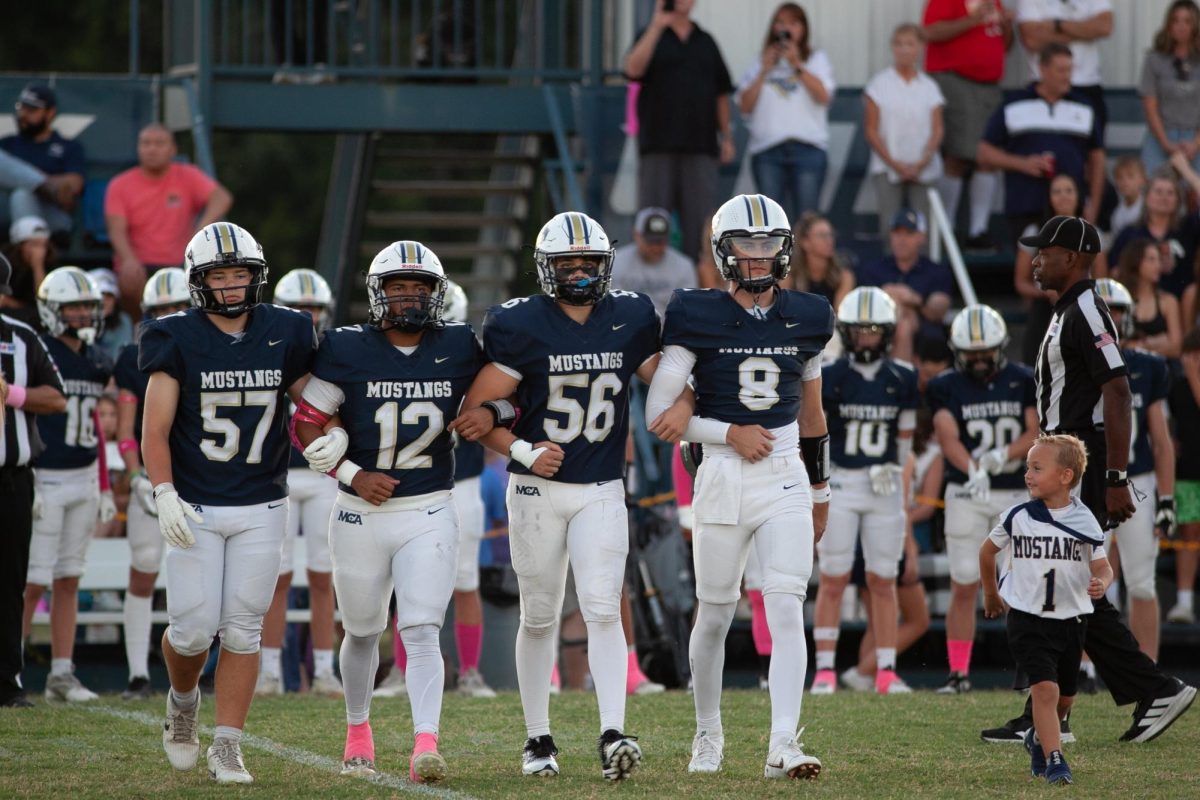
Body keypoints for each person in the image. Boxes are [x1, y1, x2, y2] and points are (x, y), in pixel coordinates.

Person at [457, 211, 661, 781]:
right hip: (536, 488)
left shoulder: (630, 315)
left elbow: (665, 381)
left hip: (600, 486)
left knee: (601, 605)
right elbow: (473, 417)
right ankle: (537, 739)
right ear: (546, 268)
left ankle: (614, 731)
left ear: (606, 265)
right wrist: (523, 451)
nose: (576, 274)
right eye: (566, 264)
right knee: (541, 615)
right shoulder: (518, 324)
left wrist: (698, 416)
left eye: (587, 263)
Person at [980, 214, 1195, 745]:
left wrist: (1115, 475)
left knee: (1076, 590)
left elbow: (1118, 392)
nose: (1034, 259)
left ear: (1073, 257)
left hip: (1082, 463)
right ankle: (1059, 710)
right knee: (1069, 585)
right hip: (1069, 460)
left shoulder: (1085, 310)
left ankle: (1149, 690)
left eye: (1044, 251)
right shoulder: (1064, 310)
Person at [645, 193, 832, 778]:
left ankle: (783, 743)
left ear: (785, 248)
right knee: (716, 614)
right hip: (722, 471)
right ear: (723, 253)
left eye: (767, 243)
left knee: (785, 606)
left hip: (784, 473)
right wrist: (728, 430)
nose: (757, 256)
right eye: (745, 245)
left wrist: (821, 492)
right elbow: (660, 413)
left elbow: (814, 418)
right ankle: (708, 734)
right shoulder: (693, 312)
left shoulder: (811, 314)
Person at [292, 242, 493, 783]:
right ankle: (359, 729)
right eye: (398, 287)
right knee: (361, 630)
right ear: (377, 294)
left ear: (437, 293)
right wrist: (353, 473)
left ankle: (426, 742)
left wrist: (497, 415)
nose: (408, 298)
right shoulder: (346, 347)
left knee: (423, 627)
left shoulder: (458, 345)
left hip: (429, 506)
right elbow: (306, 421)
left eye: (419, 288)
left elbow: (503, 394)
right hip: (359, 510)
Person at [141, 222, 315, 784]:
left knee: (243, 628)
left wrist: (328, 432)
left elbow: (309, 404)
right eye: (221, 274)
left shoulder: (286, 329)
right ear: (200, 281)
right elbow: (155, 429)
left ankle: (229, 745)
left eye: (241, 273)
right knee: (192, 630)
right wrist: (163, 491)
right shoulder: (174, 335)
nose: (233, 285)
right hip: (194, 501)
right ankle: (183, 700)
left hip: (263, 501)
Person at [980, 434, 1112, 786]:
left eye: (1037, 468)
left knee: (1066, 696)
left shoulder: (1085, 520)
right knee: (1045, 690)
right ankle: (1056, 760)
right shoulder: (1017, 515)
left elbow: (1103, 566)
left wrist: (1103, 583)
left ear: (1065, 476)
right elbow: (985, 552)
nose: (1028, 474)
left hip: (1072, 619)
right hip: (1027, 618)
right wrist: (991, 595)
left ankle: (1038, 739)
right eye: (1027, 467)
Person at [810, 287, 917, 696]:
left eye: (875, 331)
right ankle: (824, 671)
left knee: (883, 579)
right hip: (841, 481)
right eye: (860, 331)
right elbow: (817, 434)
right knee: (833, 577)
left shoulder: (902, 377)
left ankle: (886, 670)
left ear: (887, 333)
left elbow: (905, 443)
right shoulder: (831, 375)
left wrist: (894, 469)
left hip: (883, 486)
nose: (867, 338)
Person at [929, 304, 1038, 694]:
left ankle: (1029, 670)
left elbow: (1035, 430)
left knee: (1021, 584)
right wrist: (973, 467)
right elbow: (947, 434)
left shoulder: (1022, 379)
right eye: (970, 352)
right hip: (966, 490)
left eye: (984, 352)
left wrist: (1001, 456)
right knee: (963, 582)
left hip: (1012, 489)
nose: (977, 359)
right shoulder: (945, 384)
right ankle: (958, 673)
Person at [20, 267, 115, 703]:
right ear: (51, 310)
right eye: (73, 306)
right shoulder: (39, 351)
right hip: (46, 476)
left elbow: (94, 420)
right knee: (33, 580)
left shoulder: (97, 358)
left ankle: (62, 672)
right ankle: (12, 669)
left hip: (83, 475)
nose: (82, 314)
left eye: (87, 306)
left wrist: (104, 485)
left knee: (70, 578)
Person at [255, 268, 341, 698]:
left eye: (314, 310)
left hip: (324, 473)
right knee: (279, 576)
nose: (308, 317)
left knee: (324, 576)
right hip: (283, 472)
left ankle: (325, 669)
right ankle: (270, 669)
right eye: (300, 309)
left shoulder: (332, 350)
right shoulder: (272, 347)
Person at [113, 267, 192, 700]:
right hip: (155, 477)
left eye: (178, 306)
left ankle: (192, 674)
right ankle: (138, 674)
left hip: (198, 477)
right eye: (161, 309)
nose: (170, 316)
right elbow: (128, 431)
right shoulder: (133, 357)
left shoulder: (208, 350)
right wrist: (136, 475)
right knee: (144, 569)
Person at [1093, 278, 1174, 658]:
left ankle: (1149, 673)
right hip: (1090, 480)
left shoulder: (1148, 367)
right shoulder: (1078, 365)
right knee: (1083, 582)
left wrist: (1168, 498)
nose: (1110, 318)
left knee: (1141, 583)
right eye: (1103, 309)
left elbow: (1161, 441)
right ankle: (1084, 671)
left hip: (1136, 480)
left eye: (1117, 310)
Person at [0, 259, 66, 709]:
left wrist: (10, 394)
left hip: (11, 478)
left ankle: (7, 681)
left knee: (9, 582)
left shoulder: (20, 337)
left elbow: (56, 397)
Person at [624, 0, 736, 262]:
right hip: (657, 145)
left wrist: (727, 136)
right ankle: (649, 289)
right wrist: (656, 25)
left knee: (701, 227)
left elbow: (721, 93)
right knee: (653, 221)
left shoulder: (706, 41)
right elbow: (632, 70)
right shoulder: (650, 35)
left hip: (701, 146)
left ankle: (698, 289)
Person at [977, 44, 1105, 235]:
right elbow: (984, 153)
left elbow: (1097, 160)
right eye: (1061, 70)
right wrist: (1022, 164)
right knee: (1030, 264)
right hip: (1025, 206)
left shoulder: (1084, 107)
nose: (1067, 76)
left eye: (1070, 70)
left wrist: (1093, 205)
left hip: (1071, 211)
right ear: (1042, 70)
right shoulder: (1014, 104)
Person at [105, 124, 233, 315]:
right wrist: (129, 260)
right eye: (145, 143)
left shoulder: (187, 175)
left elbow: (222, 197)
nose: (152, 149)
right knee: (129, 279)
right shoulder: (120, 184)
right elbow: (116, 229)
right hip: (140, 265)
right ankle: (139, 330)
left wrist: (201, 231)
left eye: (159, 143)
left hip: (182, 263)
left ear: (173, 149)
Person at [922, 0, 1011, 250]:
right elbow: (929, 32)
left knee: (988, 158)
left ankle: (977, 231)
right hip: (957, 80)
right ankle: (946, 229)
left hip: (989, 86)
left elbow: (1004, 44)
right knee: (957, 156)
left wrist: (1006, 26)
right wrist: (972, 20)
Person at [735, 3, 835, 222]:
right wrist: (763, 70)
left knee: (806, 221)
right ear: (773, 27)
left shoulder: (816, 59)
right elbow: (744, 106)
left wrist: (796, 64)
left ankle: (801, 258)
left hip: (808, 149)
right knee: (770, 222)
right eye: (780, 22)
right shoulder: (760, 61)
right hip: (768, 150)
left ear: (803, 28)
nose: (786, 29)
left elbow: (824, 96)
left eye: (793, 23)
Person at [1014, 174, 1109, 365]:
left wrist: (1073, 293)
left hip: (1084, 307)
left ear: (1079, 196)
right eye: (1056, 191)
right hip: (1044, 310)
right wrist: (1046, 291)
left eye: (1069, 190)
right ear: (1048, 197)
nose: (1063, 196)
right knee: (1036, 366)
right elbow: (1020, 282)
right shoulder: (1035, 231)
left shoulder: (1091, 234)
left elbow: (1103, 282)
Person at [864, 23, 945, 243]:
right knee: (890, 230)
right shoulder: (879, 84)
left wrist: (922, 161)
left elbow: (937, 129)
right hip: (887, 167)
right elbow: (871, 130)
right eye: (899, 44)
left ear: (920, 47)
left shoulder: (929, 86)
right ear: (892, 47)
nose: (904, 49)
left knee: (923, 231)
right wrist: (895, 163)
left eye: (910, 44)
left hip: (923, 168)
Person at [855, 209, 955, 362]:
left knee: (905, 323)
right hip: (877, 333)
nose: (902, 240)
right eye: (897, 233)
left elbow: (938, 310)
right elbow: (860, 308)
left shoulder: (937, 272)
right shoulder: (873, 269)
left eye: (909, 233)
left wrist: (915, 300)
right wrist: (887, 296)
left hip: (927, 343)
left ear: (922, 237)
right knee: (903, 322)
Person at [1016, 0, 1113, 133]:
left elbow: (1104, 27)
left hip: (1087, 85)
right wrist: (1085, 30)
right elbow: (1031, 40)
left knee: (1091, 148)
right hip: (1043, 87)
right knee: (1042, 145)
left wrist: (1058, 25)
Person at [0, 84, 85, 234]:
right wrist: (43, 183)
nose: (23, 115)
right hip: (6, 210)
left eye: (32, 110)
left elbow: (74, 184)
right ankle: (42, 185)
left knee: (23, 195)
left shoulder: (68, 146)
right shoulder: (8, 144)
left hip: (52, 215)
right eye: (21, 107)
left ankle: (27, 255)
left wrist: (22, 179)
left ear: (50, 113)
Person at [1139, 1, 1200, 175]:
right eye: (1176, 21)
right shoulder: (1154, 59)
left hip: (1195, 137)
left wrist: (1195, 144)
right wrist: (1165, 143)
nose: (1181, 27)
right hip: (1161, 136)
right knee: (1154, 188)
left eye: (1187, 21)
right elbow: (1150, 106)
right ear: (1168, 25)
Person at [610, 207, 698, 315]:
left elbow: (687, 311)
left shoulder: (684, 266)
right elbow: (613, 308)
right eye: (650, 241)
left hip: (668, 328)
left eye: (660, 241)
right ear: (636, 235)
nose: (655, 248)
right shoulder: (616, 262)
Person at [1168, 327, 1200, 625]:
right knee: (1189, 534)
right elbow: (1165, 419)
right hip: (1188, 473)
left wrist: (1194, 377)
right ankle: (1184, 601)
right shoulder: (1176, 386)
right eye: (1191, 357)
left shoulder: (1188, 381)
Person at [1112, 238, 1183, 359]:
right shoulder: (1119, 301)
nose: (1158, 265)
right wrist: (1156, 342)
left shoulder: (1168, 301)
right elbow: (1114, 344)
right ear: (1135, 262)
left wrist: (1139, 346)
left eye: (1159, 260)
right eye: (1151, 259)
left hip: (1162, 372)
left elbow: (1176, 348)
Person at [788, 212, 855, 310]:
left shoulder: (844, 277)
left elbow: (840, 316)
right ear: (805, 242)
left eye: (831, 235)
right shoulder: (789, 278)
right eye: (822, 235)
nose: (829, 240)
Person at [0, 216, 52, 317]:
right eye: (34, 244)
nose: (40, 251)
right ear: (20, 246)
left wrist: (38, 267)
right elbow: (4, 300)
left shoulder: (49, 264)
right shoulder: (4, 264)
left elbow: (45, 304)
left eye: (44, 245)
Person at [90, 267, 135, 361]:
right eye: (100, 295)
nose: (103, 301)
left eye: (109, 296)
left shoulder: (123, 321)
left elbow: (120, 359)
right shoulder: (77, 323)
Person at [1109, 155, 1146, 241]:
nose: (1124, 181)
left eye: (1130, 176)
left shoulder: (1148, 207)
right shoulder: (1116, 215)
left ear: (1143, 179)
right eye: (1119, 177)